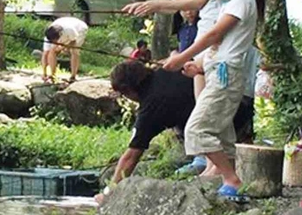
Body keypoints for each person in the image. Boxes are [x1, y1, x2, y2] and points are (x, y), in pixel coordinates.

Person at [124, 0, 227, 176]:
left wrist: (155, 5)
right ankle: (211, 163)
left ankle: (218, 167)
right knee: (202, 106)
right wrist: (150, 5)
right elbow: (179, 2)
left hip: (212, 45)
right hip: (203, 45)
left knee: (207, 110)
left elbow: (195, 4)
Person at [162, 0, 264, 200]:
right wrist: (198, 65)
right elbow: (224, 46)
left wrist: (183, 56)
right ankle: (229, 182)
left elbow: (213, 35)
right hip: (221, 72)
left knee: (196, 130)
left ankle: (232, 179)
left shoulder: (241, 3)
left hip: (224, 78)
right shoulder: (239, 3)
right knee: (221, 133)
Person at [96, 59, 256, 204]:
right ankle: (228, 174)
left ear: (128, 90)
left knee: (203, 147)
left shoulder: (150, 108)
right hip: (240, 103)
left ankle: (230, 179)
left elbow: (131, 156)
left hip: (227, 123)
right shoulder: (169, 69)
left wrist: (109, 192)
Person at [41, 16, 88, 82]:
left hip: (80, 29)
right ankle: (52, 75)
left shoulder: (69, 30)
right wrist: (44, 73)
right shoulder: (49, 36)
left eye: (54, 41)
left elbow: (73, 41)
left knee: (74, 51)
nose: (53, 43)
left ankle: (73, 76)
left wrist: (64, 47)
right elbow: (45, 54)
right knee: (51, 51)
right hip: (64, 29)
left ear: (60, 35)